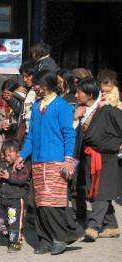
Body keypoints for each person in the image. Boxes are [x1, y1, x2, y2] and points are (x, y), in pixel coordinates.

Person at [15, 70, 83, 255]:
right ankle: (44, 240)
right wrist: (22, 155)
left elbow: (69, 135)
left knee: (52, 203)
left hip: (56, 161)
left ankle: (61, 237)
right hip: (37, 162)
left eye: (36, 84)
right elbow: (31, 136)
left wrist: (69, 160)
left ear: (46, 85)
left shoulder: (61, 106)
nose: (34, 87)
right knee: (39, 204)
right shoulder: (36, 106)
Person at [74, 77, 122, 241]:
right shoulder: (81, 111)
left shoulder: (108, 109)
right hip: (88, 157)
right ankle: (111, 226)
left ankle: (93, 226)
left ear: (89, 93)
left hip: (106, 158)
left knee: (100, 192)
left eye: (79, 92)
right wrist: (75, 118)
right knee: (94, 191)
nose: (76, 95)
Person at [0, 139, 31, 253]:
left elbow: (22, 179)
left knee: (14, 221)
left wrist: (9, 176)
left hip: (16, 199)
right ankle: (9, 235)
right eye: (5, 155)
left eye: (10, 155)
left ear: (18, 153)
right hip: (2, 199)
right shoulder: (2, 164)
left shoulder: (22, 165)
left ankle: (15, 242)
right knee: (1, 220)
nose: (7, 158)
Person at [0, 79, 22, 167]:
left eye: (8, 93)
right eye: (4, 93)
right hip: (0, 138)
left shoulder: (20, 104)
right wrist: (0, 125)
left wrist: (13, 125)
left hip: (14, 138)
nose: (6, 96)